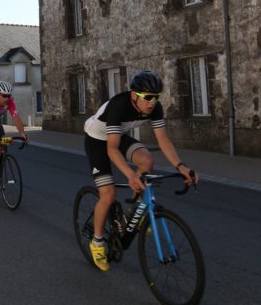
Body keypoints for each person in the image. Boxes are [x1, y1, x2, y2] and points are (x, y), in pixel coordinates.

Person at [83, 70, 198, 272]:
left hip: (117, 136)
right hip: (97, 141)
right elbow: (111, 149)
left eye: (156, 97)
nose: (152, 102)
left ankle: (134, 211)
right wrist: (131, 175)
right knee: (108, 194)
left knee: (147, 160)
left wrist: (181, 166)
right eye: (148, 97)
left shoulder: (154, 107)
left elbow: (163, 141)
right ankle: (97, 242)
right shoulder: (119, 105)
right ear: (134, 95)